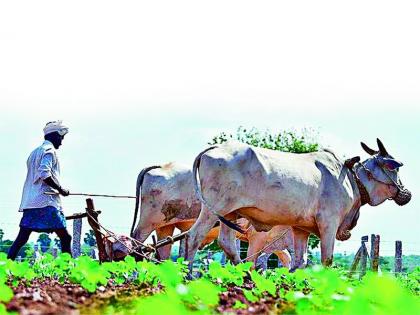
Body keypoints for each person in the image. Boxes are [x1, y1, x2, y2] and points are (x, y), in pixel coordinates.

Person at [7, 121, 72, 260]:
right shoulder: (49, 151)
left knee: (22, 238)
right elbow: (44, 174)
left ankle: (7, 264)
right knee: (66, 237)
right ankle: (68, 269)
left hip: (31, 202)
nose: (62, 141)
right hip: (45, 202)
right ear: (54, 136)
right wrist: (61, 189)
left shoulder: (34, 152)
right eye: (61, 137)